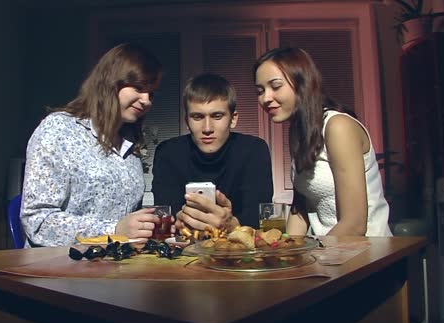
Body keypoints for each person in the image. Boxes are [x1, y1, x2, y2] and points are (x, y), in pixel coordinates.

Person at [20, 43, 164, 247]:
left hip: (118, 268)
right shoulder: (59, 130)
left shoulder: (131, 148)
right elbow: (37, 222)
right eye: (139, 88)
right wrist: (113, 231)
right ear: (111, 83)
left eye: (151, 93)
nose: (147, 101)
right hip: (59, 268)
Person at [254, 47, 391, 237]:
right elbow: (300, 209)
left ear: (303, 83)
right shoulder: (300, 132)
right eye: (260, 91)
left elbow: (354, 225)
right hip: (328, 255)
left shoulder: (338, 126)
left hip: (367, 256)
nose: (266, 98)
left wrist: (315, 261)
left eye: (275, 86)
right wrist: (285, 254)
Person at [152, 73, 273, 233]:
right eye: (197, 117)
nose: (207, 128)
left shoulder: (254, 150)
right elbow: (167, 220)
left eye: (217, 116)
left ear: (233, 119)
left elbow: (259, 220)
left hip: (239, 252)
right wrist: (179, 222)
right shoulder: (168, 153)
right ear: (187, 122)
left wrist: (232, 224)